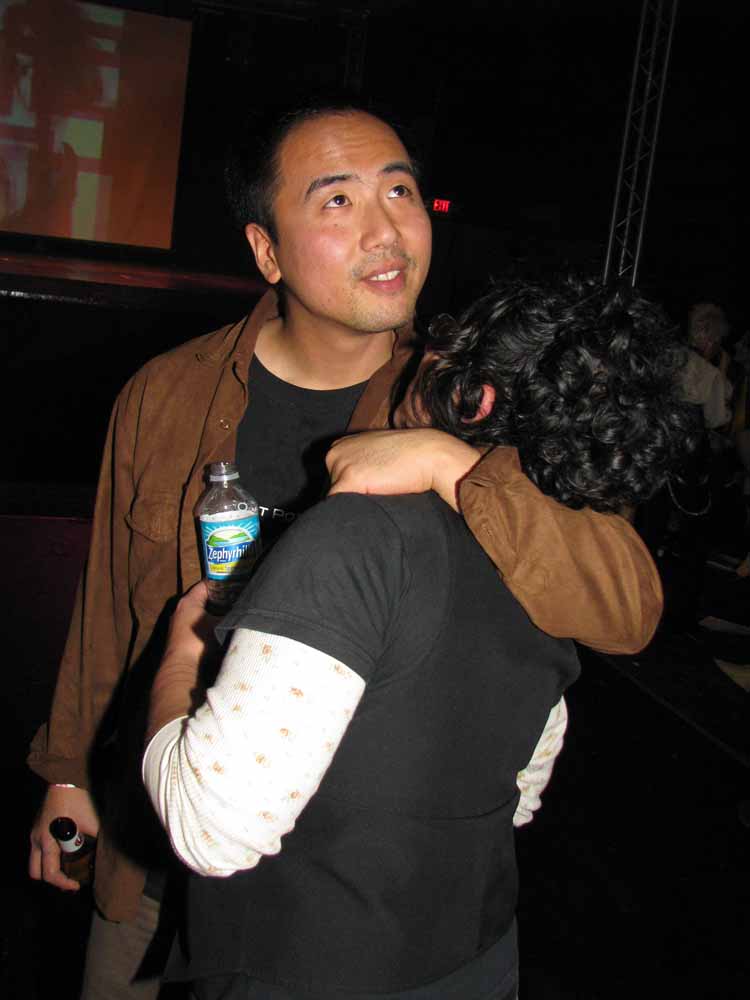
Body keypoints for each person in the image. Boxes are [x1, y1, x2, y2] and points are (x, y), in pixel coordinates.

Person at [28, 102, 661, 998]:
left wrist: (450, 464)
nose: (386, 229)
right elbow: (111, 607)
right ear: (267, 251)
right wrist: (68, 774)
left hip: (332, 901)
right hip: (157, 836)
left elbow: (626, 607)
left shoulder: (474, 402)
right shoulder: (165, 393)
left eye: (400, 191)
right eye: (337, 200)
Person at [142, 275, 694, 999]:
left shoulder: (356, 536)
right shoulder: (553, 573)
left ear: (474, 397)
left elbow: (209, 827)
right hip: (478, 958)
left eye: (445, 346)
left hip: (309, 969)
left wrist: (182, 655)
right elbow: (520, 795)